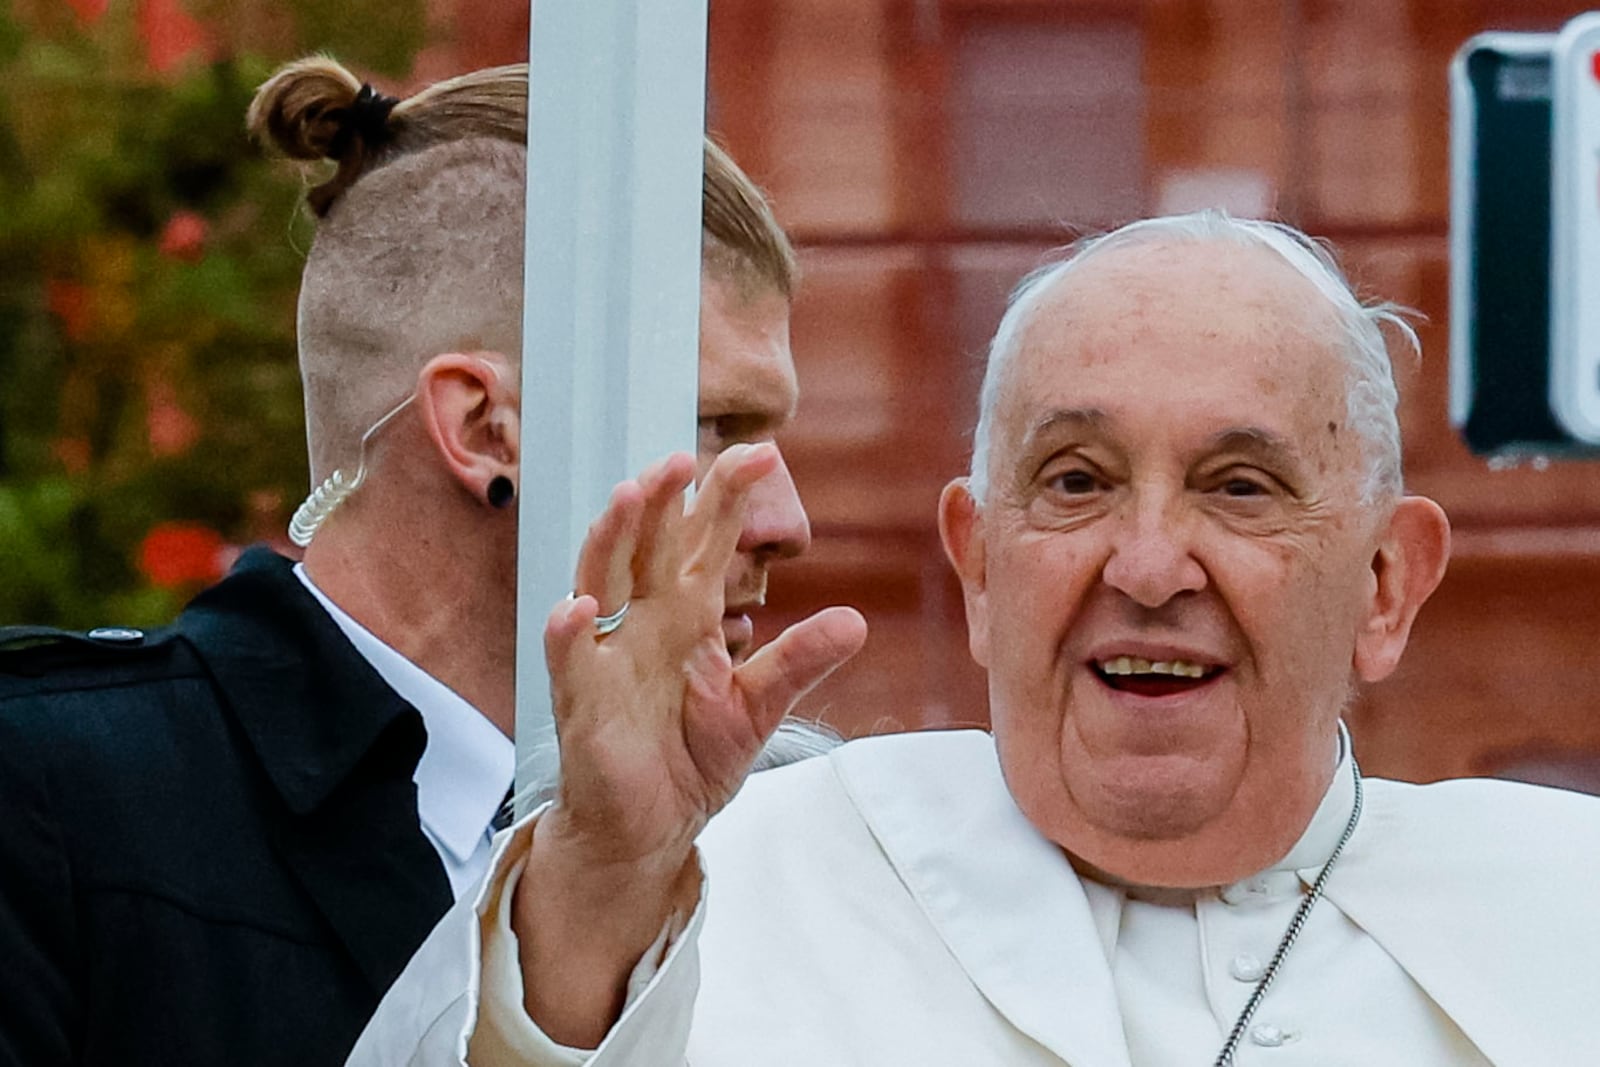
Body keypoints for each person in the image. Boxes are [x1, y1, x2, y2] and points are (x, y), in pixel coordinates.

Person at [351, 211, 1600, 1067]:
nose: (1149, 565)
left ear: (1385, 583)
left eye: (1239, 486)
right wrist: (603, 882)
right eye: (1073, 481)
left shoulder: (1568, 908)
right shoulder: (729, 879)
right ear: (979, 566)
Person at [0, 57, 830, 1067]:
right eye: (713, 427)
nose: (785, 520)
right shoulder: (53, 800)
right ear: (485, 426)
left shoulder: (782, 851)